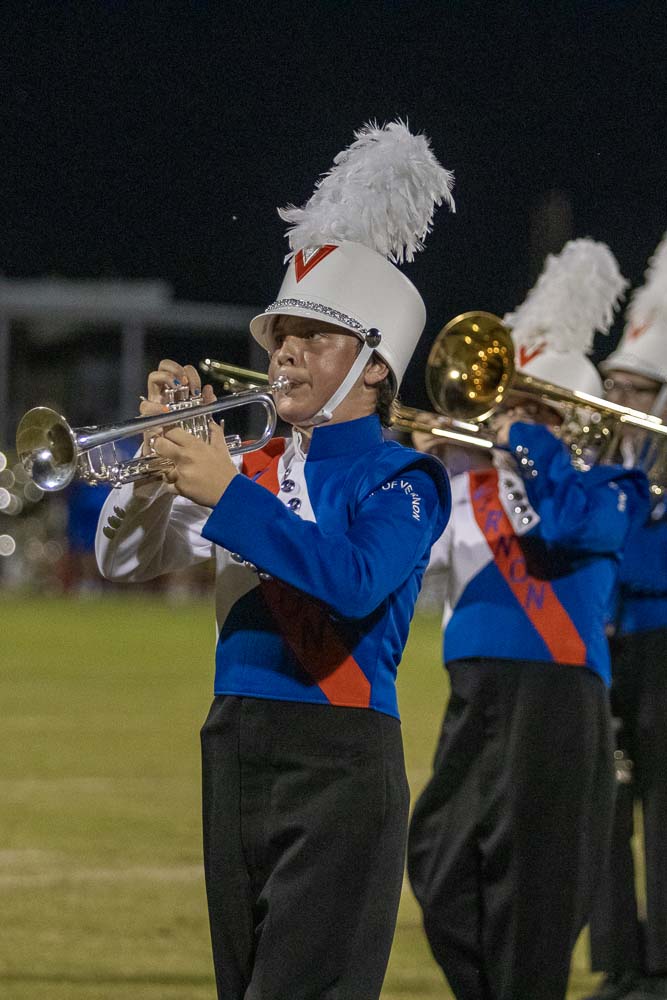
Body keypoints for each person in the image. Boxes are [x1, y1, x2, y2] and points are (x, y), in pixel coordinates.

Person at [95, 120, 454, 1000]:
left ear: (374, 367)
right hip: (234, 741)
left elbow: (353, 581)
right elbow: (122, 560)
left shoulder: (402, 478)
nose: (284, 351)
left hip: (340, 755)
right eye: (281, 333)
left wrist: (227, 490)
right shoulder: (245, 466)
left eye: (314, 335)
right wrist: (153, 462)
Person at [407, 239, 650, 1000]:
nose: (507, 415)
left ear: (571, 420)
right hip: (475, 689)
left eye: (531, 406)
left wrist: (528, 441)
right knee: (441, 867)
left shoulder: (613, 486)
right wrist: (417, 464)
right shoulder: (469, 478)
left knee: (538, 891)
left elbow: (575, 529)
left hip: (559, 695)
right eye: (507, 403)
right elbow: (414, 565)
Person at [586, 230, 667, 1000]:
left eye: (633, 390)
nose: (616, 400)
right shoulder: (600, 468)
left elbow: (645, 564)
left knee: (662, 807)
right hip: (604, 649)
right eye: (610, 385)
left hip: (659, 649)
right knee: (604, 809)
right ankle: (617, 961)